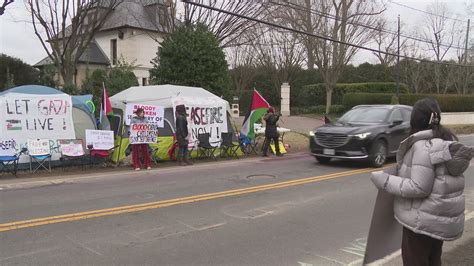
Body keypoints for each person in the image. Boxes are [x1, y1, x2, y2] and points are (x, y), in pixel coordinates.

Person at [370, 98, 473, 266]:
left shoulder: (423, 147)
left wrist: (385, 180)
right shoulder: (445, 143)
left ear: (414, 120)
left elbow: (419, 187)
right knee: (433, 259)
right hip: (437, 222)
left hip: (421, 223)